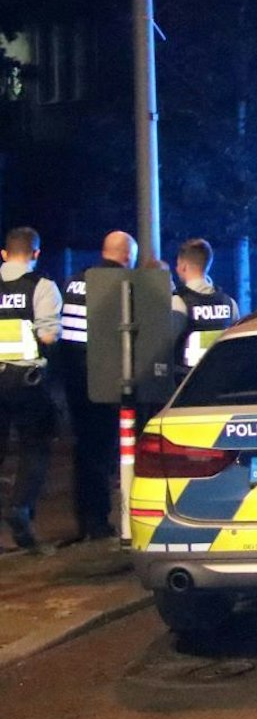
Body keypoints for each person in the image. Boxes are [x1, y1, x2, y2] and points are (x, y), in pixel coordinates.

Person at [55, 230, 136, 542]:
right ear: (126, 255)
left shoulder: (76, 280)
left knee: (83, 449)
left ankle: (84, 520)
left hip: (74, 379)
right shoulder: (122, 284)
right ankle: (99, 522)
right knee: (102, 452)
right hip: (104, 379)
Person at [0, 227, 61, 554]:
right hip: (26, 382)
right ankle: (20, 508)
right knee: (34, 448)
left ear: (4, 254)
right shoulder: (42, 287)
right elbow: (49, 336)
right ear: (35, 254)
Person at [169, 238, 238, 375]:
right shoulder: (229, 303)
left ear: (183, 266)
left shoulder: (178, 303)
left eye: (177, 265)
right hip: (221, 380)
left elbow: (165, 349)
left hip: (186, 384)